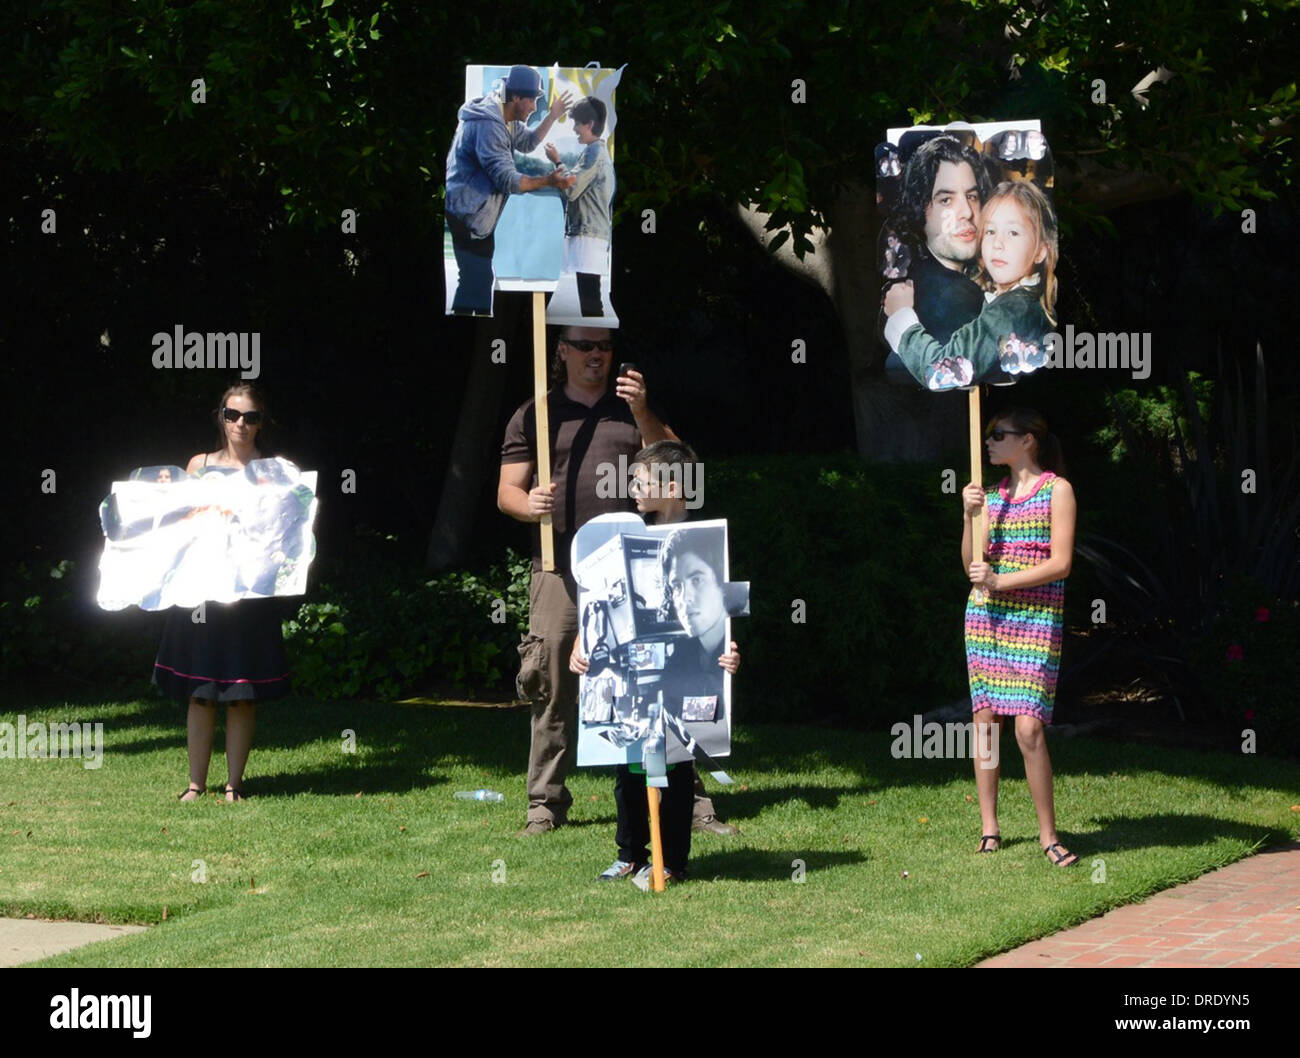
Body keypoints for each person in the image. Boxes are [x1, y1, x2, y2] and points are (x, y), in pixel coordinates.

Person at [498, 326, 676, 835]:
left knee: (655, 679)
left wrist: (643, 410)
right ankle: (545, 804)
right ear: (562, 351)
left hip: (634, 566)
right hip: (558, 567)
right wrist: (528, 505)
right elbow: (506, 491)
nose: (596, 355)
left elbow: (677, 468)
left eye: (604, 346)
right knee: (551, 681)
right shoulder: (536, 413)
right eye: (584, 345)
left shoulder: (633, 408)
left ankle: (683, 798)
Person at [153, 383, 290, 802]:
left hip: (250, 597)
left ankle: (234, 785)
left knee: (241, 696)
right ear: (221, 417)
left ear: (261, 422)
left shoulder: (278, 471)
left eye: (250, 417)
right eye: (232, 415)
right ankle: (195, 785)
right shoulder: (199, 465)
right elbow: (178, 523)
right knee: (200, 695)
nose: (240, 424)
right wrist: (164, 490)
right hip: (202, 595)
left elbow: (290, 533)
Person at [960, 408, 1078, 867]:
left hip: (1035, 616)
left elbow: (1061, 563)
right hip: (985, 618)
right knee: (986, 721)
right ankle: (990, 827)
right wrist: (971, 516)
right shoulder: (989, 497)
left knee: (1029, 727)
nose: (989, 442)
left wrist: (1001, 582)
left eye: (999, 435)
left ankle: (1048, 834)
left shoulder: (1057, 490)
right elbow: (973, 563)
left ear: (1028, 440)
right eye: (988, 435)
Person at [627, 441, 739, 836]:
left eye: (641, 483)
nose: (632, 491)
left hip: (692, 670)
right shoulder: (630, 538)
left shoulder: (709, 539)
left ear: (672, 488)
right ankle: (642, 829)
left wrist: (728, 650)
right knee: (643, 747)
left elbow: (729, 606)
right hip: (648, 664)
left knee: (687, 731)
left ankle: (695, 812)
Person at [883, 179, 1059, 389]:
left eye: (1013, 233)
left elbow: (940, 373)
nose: (997, 244)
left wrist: (901, 317)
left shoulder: (1011, 311)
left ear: (1041, 251)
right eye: (990, 231)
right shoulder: (1016, 297)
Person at [445, 65, 575, 315]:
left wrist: (552, 115)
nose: (535, 107)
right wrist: (550, 180)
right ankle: (461, 339)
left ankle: (462, 332)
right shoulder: (489, 126)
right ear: (515, 97)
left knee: (477, 281)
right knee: (477, 284)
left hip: (476, 215)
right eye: (532, 100)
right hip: (468, 216)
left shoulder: (506, 117)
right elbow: (508, 180)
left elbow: (527, 143)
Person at [886, 134, 993, 345]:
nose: (967, 213)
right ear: (919, 208)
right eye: (946, 200)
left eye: (972, 196)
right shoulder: (955, 296)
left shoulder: (921, 273)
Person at [544, 96, 614, 317]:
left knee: (590, 301)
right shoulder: (598, 151)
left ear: (590, 124)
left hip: (589, 235)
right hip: (591, 233)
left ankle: (593, 343)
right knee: (590, 298)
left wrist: (557, 160)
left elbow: (572, 189)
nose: (574, 129)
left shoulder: (595, 151)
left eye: (576, 123)